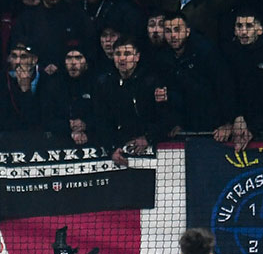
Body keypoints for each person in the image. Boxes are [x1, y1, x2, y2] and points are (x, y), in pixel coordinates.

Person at [93, 36, 176, 167]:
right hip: (120, 151)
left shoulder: (152, 82)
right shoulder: (104, 84)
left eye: (127, 54)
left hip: (152, 151)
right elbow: (101, 120)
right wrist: (111, 148)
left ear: (137, 57)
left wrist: (148, 138)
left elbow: (166, 117)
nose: (122, 59)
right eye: (118, 54)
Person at [156, 12, 235, 142]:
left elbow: (225, 87)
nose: (173, 35)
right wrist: (176, 123)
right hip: (189, 127)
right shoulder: (164, 58)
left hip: (216, 128)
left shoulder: (206, 52)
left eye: (177, 30)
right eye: (168, 31)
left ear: (187, 31)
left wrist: (229, 123)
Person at [223, 8, 263, 152]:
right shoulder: (228, 55)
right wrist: (235, 117)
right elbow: (225, 90)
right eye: (239, 26)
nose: (243, 32)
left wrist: (254, 128)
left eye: (249, 26)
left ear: (259, 29)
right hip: (238, 129)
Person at [44, 40, 95, 145]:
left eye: (78, 57)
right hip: (57, 142)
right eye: (69, 58)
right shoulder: (53, 85)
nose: (73, 62)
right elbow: (46, 118)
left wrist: (85, 125)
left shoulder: (95, 85)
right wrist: (69, 126)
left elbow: (104, 116)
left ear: (86, 62)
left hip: (92, 140)